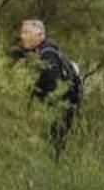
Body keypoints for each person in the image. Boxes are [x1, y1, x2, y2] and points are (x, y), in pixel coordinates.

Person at [12, 19, 81, 158]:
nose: (22, 36)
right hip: (59, 111)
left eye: (27, 32)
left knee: (54, 152)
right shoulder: (41, 52)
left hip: (58, 113)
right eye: (22, 33)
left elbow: (54, 90)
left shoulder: (48, 55)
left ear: (39, 34)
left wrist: (41, 115)